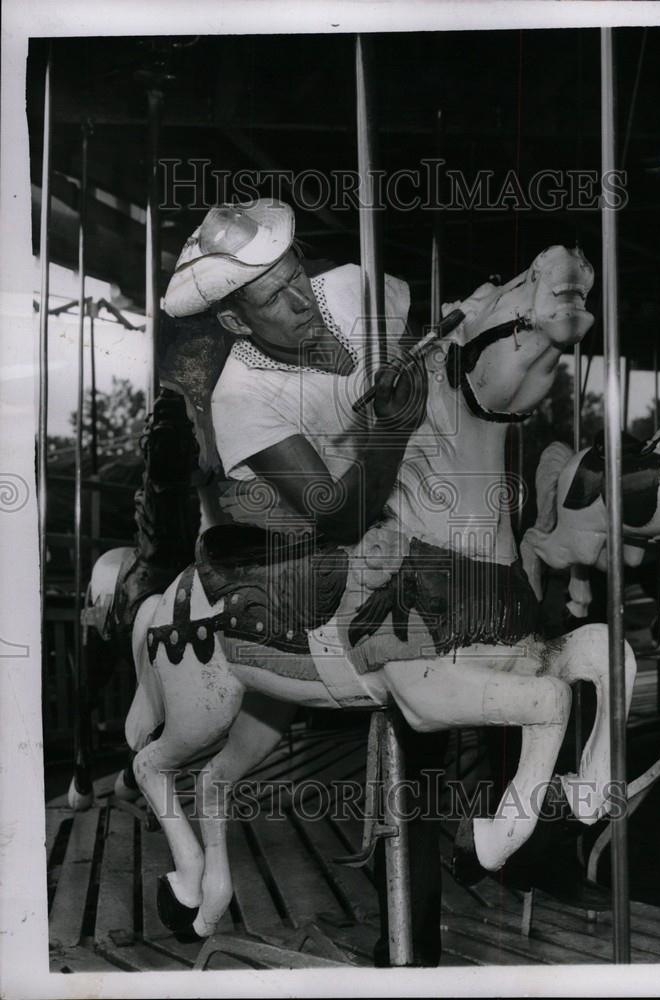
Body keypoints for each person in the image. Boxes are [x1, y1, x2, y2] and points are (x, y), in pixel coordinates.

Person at [163, 196, 449, 966]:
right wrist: (388, 430)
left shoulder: (353, 288)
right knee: (418, 682)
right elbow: (338, 513)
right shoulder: (240, 401)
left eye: (298, 276)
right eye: (274, 300)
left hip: (435, 500)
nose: (302, 302)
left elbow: (430, 338)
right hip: (345, 529)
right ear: (234, 322)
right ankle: (409, 937)